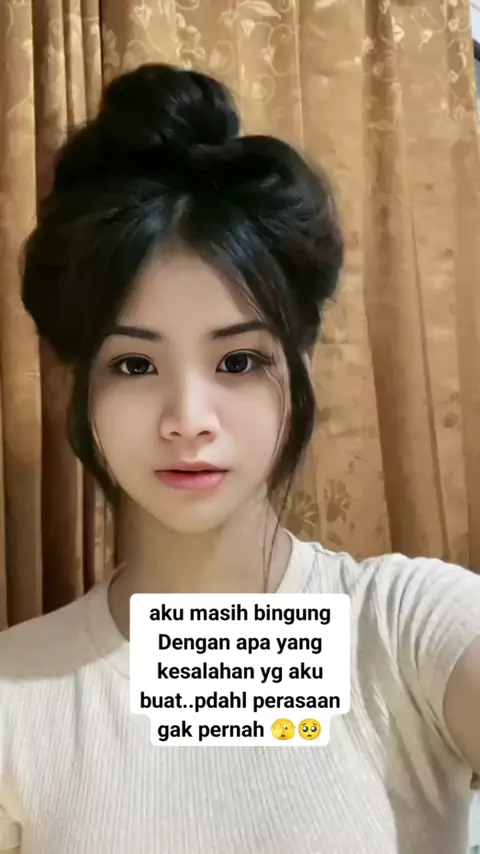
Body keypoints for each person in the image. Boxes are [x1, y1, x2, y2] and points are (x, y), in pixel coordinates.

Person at [0, 63, 479, 854]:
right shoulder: (16, 697)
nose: (189, 421)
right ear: (77, 385)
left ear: (301, 367)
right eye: (134, 364)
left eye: (238, 361)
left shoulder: (404, 629)